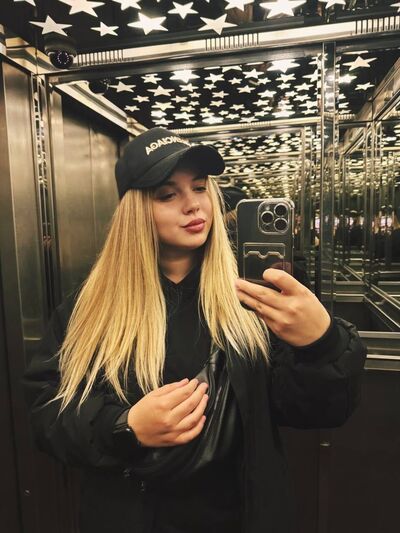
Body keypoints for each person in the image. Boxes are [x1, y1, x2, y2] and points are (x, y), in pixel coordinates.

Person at [24, 127, 367, 533]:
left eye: (200, 188)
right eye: (167, 195)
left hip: (239, 515)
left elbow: (317, 410)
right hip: (131, 515)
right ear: (136, 212)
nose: (193, 205)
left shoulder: (253, 296)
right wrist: (126, 427)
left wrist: (322, 343)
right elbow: (48, 412)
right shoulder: (92, 306)